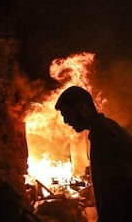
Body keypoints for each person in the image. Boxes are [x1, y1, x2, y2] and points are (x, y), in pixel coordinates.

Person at [55, 86, 132, 222]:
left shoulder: (102, 133)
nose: (66, 121)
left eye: (67, 114)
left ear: (82, 108)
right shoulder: (106, 127)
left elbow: (114, 186)